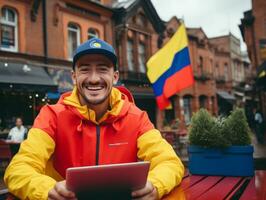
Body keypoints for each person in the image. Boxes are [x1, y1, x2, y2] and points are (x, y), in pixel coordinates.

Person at [4, 38, 184, 200]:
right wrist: (48, 190)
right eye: (84, 70)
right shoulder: (52, 115)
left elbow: (170, 162)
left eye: (102, 69)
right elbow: (18, 169)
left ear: (115, 76)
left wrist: (155, 185)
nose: (94, 78)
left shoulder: (137, 117)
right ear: (74, 77)